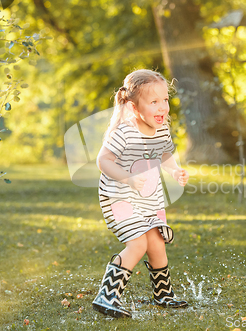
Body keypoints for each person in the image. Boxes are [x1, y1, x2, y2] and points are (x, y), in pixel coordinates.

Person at [92, 69, 189, 317]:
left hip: (148, 199)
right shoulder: (124, 132)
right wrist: (129, 178)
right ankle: (107, 296)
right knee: (138, 243)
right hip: (119, 197)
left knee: (156, 242)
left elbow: (165, 154)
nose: (162, 107)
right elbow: (103, 161)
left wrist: (176, 171)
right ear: (135, 107)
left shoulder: (162, 129)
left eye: (165, 100)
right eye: (154, 102)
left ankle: (163, 294)